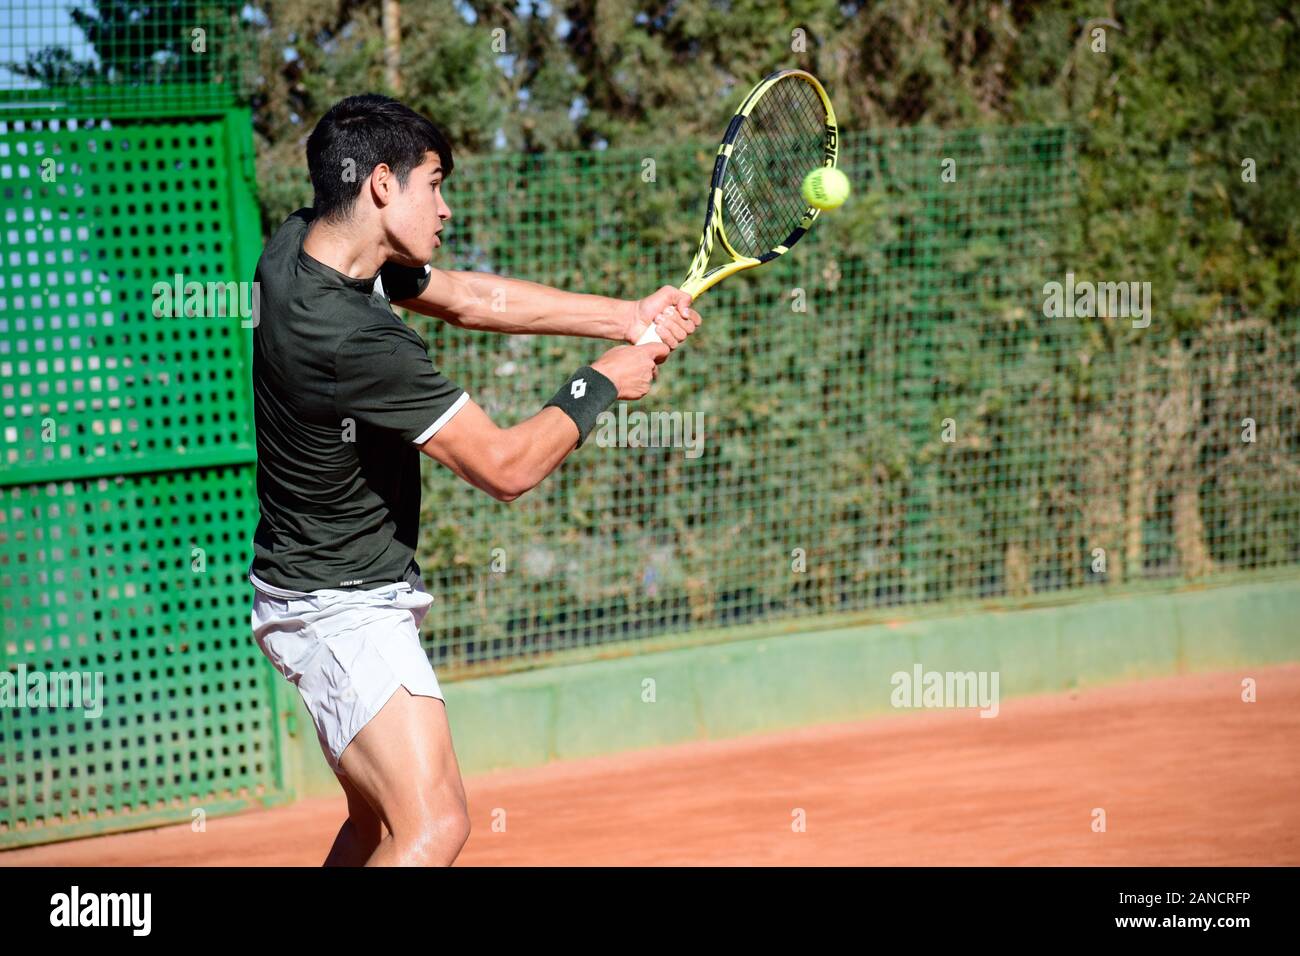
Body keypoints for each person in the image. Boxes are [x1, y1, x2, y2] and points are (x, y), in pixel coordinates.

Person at [247, 94, 700, 866]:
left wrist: (624, 317)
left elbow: (462, 297)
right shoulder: (349, 338)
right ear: (382, 184)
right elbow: (505, 466)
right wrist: (601, 384)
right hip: (341, 609)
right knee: (434, 827)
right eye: (435, 183)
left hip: (316, 588)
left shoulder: (301, 243)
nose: (447, 206)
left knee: (374, 828)